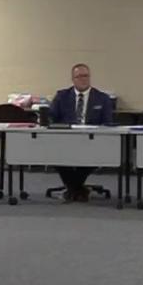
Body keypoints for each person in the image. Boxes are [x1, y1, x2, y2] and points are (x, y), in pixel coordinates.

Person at [49, 63, 115, 201]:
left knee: (92, 156)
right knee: (55, 155)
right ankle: (79, 189)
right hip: (66, 141)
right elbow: (51, 118)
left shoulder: (102, 98)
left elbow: (108, 123)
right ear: (73, 79)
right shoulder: (62, 96)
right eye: (79, 76)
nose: (83, 79)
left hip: (92, 142)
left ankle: (72, 190)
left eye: (86, 76)